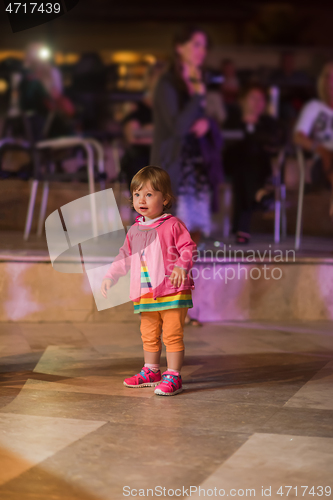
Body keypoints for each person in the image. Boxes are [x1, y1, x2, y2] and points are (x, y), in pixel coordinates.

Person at [100, 166, 196, 396]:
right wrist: (110, 275)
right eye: (137, 194)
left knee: (172, 334)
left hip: (172, 289)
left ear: (165, 199)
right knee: (149, 333)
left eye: (149, 194)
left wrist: (182, 266)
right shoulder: (135, 229)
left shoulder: (172, 225)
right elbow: (124, 255)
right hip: (144, 293)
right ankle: (151, 371)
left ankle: (173, 375)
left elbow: (188, 248)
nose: (142, 199)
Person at [151, 25, 222, 246]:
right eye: (196, 45)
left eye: (204, 46)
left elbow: (200, 122)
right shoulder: (167, 84)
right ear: (179, 48)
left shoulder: (197, 80)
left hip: (196, 168)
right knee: (173, 235)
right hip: (173, 166)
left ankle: (186, 278)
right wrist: (198, 95)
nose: (202, 51)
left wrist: (207, 123)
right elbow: (178, 127)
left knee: (196, 232)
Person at [224, 84, 283, 244]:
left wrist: (253, 134)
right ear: (242, 101)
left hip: (260, 169)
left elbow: (277, 142)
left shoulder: (268, 123)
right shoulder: (232, 121)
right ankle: (261, 196)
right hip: (234, 165)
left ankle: (242, 227)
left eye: (261, 99)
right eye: (253, 98)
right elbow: (226, 144)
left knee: (249, 164)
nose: (258, 102)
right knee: (246, 156)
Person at [294, 62, 333, 217]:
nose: (332, 81)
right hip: (323, 164)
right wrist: (321, 149)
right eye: (329, 77)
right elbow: (298, 137)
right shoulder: (314, 107)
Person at [120, 63, 165, 190]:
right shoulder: (137, 107)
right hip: (144, 160)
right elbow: (132, 136)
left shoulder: (174, 110)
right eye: (159, 78)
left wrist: (150, 131)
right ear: (149, 79)